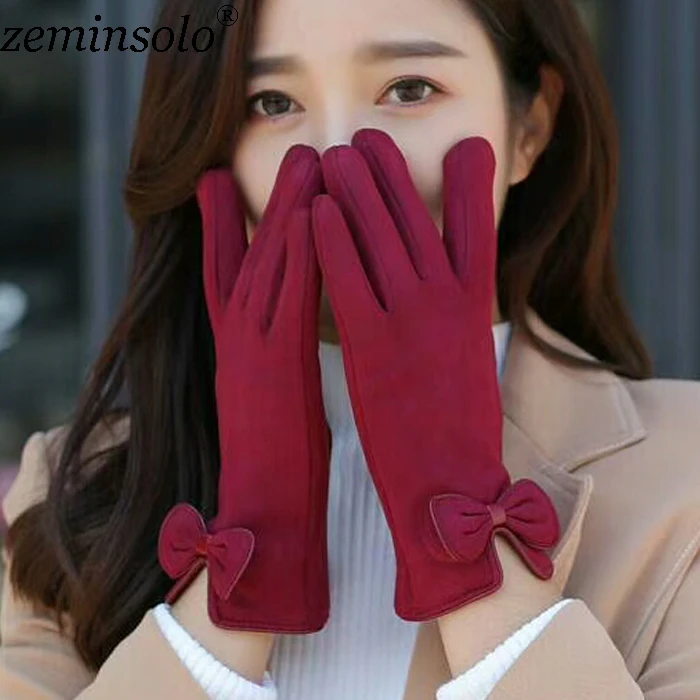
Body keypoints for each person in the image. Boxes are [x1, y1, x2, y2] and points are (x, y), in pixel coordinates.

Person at [1, 0, 699, 697]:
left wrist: (466, 547)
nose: (338, 158)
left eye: (410, 90)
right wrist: (245, 566)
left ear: (531, 126)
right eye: (272, 103)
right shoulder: (70, 493)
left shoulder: (684, 478)